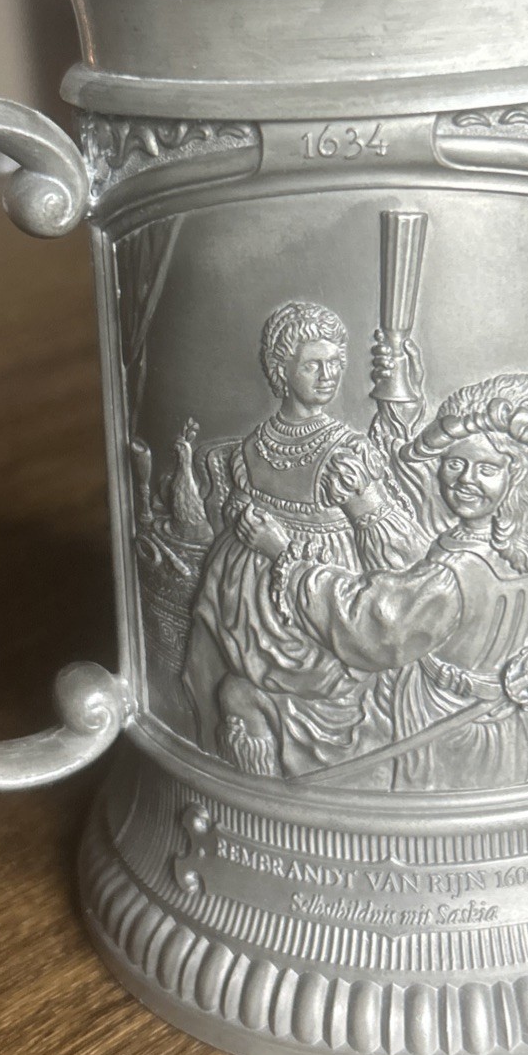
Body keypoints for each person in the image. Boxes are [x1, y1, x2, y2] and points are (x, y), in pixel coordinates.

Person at [244, 374, 528, 791]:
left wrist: (287, 559)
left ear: (517, 476)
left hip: (441, 730)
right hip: (498, 726)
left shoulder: (456, 572)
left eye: (487, 468)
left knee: (256, 699)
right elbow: (426, 589)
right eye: (454, 463)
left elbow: (378, 626)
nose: (464, 479)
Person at [182, 301, 429, 778]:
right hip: (252, 614)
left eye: (336, 362)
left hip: (321, 607)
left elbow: (399, 550)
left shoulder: (347, 453)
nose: (328, 374)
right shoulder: (252, 447)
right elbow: (241, 508)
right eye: (313, 363)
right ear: (281, 368)